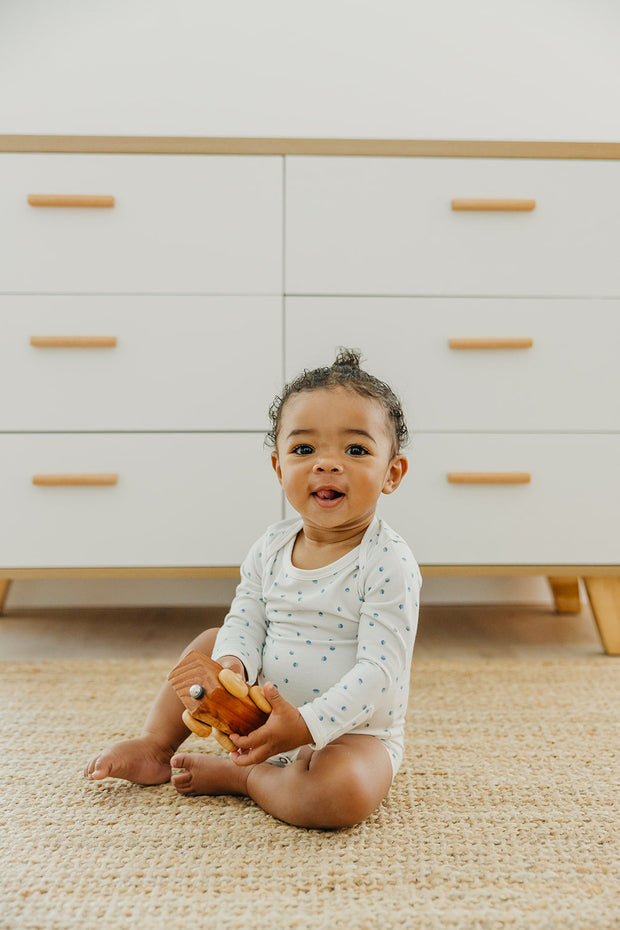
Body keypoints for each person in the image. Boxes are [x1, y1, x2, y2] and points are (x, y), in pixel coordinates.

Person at [84, 349, 421, 829]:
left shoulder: (389, 562)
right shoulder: (272, 545)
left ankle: (244, 778)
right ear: (279, 467)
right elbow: (247, 616)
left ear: (392, 473)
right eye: (304, 450)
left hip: (350, 734)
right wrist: (233, 664)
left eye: (355, 450)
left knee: (339, 796)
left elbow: (379, 673)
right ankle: (157, 746)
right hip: (257, 713)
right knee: (209, 640)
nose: (327, 464)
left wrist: (305, 726)